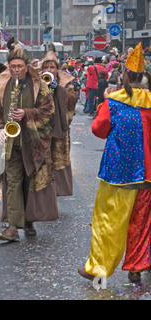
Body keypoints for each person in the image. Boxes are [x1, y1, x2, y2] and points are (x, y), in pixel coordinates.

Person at [78, 43, 151, 283]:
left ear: (124, 76)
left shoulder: (115, 101)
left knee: (109, 221)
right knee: (141, 223)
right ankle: (137, 267)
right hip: (148, 175)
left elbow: (99, 130)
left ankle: (98, 268)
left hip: (118, 172)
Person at [0, 38, 56, 242]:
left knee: (30, 183)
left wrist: (26, 113)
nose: (16, 70)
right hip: (11, 144)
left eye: (19, 66)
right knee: (13, 182)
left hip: (32, 143)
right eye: (12, 67)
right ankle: (13, 227)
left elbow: (49, 111)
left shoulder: (39, 86)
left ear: (26, 67)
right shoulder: (2, 85)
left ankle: (28, 221)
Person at [39, 45, 78, 197]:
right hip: (42, 129)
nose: (49, 70)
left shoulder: (66, 83)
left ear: (57, 69)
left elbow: (71, 103)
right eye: (46, 67)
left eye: (52, 67)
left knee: (58, 158)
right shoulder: (37, 82)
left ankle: (58, 189)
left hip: (58, 128)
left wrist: (60, 91)